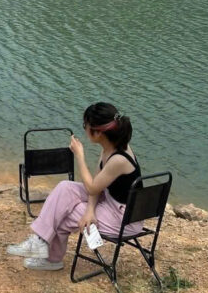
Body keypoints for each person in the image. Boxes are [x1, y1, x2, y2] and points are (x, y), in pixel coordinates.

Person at [7, 102, 143, 270]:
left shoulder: (119, 159)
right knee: (65, 187)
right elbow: (96, 184)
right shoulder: (110, 147)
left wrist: (79, 156)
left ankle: (52, 259)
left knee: (64, 213)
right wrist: (90, 210)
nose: (84, 129)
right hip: (113, 203)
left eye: (85, 126)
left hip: (125, 220)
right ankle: (40, 241)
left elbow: (92, 188)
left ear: (98, 132)